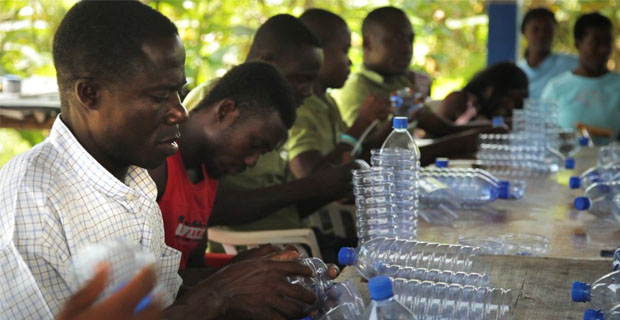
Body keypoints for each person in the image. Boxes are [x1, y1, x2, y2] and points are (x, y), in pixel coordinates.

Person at [0, 2, 317, 319]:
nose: (180, 111)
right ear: (89, 94)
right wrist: (218, 294)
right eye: (158, 96)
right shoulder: (31, 200)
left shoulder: (136, 183)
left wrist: (239, 275)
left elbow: (158, 305)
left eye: (179, 92)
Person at [184, 15, 353, 244]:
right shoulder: (216, 103)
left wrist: (330, 187)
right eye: (302, 79)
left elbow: (285, 204)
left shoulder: (275, 119)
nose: (308, 92)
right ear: (266, 62)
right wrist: (310, 185)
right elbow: (205, 207)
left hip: (294, 238)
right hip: (247, 246)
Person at [149, 61, 295, 270]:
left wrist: (245, 266)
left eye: (262, 154)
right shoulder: (156, 162)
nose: (252, 162)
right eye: (254, 145)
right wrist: (238, 273)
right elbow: (146, 285)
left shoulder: (207, 174)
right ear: (225, 111)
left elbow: (192, 270)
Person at [288, 8, 391, 178]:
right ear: (316, 52)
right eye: (344, 50)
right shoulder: (299, 107)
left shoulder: (328, 102)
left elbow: (349, 154)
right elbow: (309, 178)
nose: (349, 61)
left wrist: (391, 124)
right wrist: (363, 122)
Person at [541, 12, 620, 144]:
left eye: (608, 42)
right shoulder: (557, 87)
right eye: (595, 43)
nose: (603, 49)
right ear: (578, 44)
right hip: (566, 162)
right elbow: (542, 134)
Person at [516, 7, 579, 100]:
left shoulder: (571, 65)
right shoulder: (517, 73)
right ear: (525, 32)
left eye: (547, 29)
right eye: (535, 30)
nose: (542, 35)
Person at [438, 62, 528, 124]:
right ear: (490, 86)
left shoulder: (499, 118)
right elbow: (437, 133)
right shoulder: (458, 100)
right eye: (507, 97)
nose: (510, 106)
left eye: (516, 103)